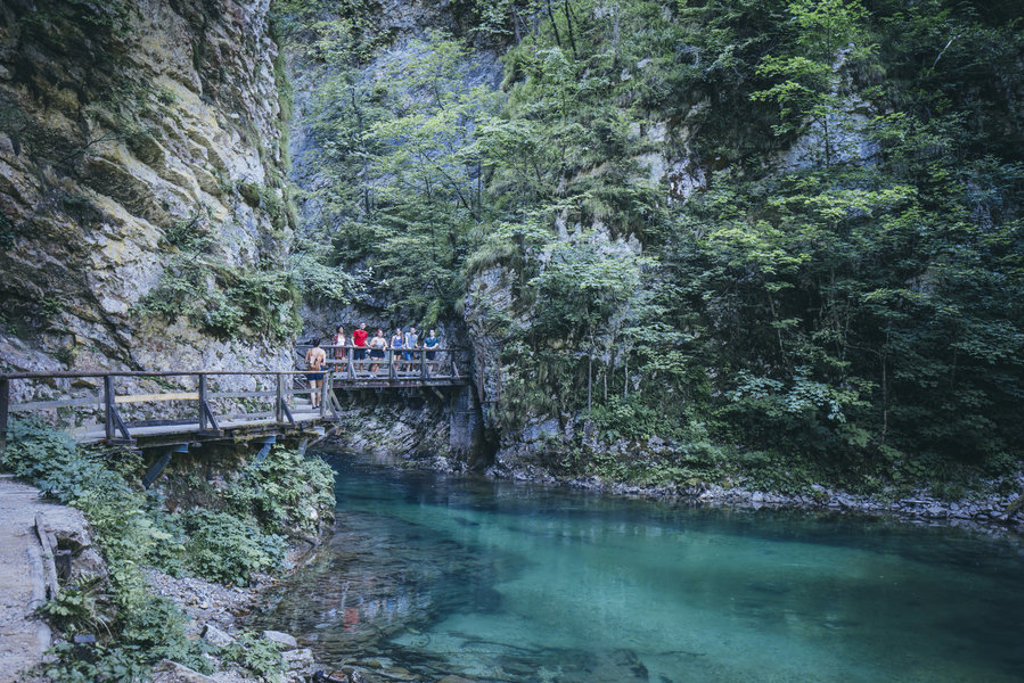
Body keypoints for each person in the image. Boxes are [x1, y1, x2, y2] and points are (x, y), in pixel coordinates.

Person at [304, 338, 327, 408]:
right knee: (319, 388)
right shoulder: (322, 352)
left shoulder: (309, 351)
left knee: (312, 388)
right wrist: (319, 363)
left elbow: (305, 361)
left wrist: (311, 362)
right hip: (319, 370)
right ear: (319, 343)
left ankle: (313, 405)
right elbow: (324, 363)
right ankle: (318, 404)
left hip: (311, 370)